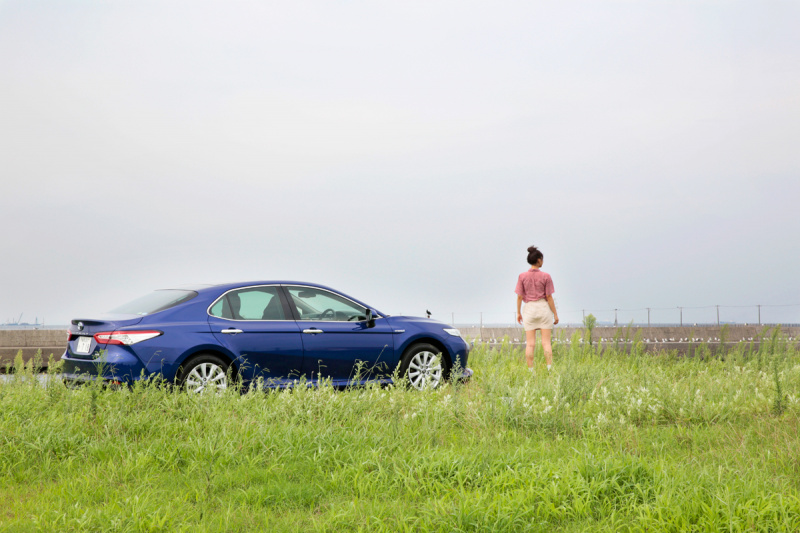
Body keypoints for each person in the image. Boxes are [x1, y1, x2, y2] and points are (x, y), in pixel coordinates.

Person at [515, 245, 558, 372]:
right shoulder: (546, 276)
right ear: (539, 260)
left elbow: (519, 296)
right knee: (546, 343)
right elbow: (549, 296)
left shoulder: (522, 276)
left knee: (530, 344)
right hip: (543, 308)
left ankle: (531, 372)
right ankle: (550, 370)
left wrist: (518, 313)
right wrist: (555, 314)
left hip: (529, 309)